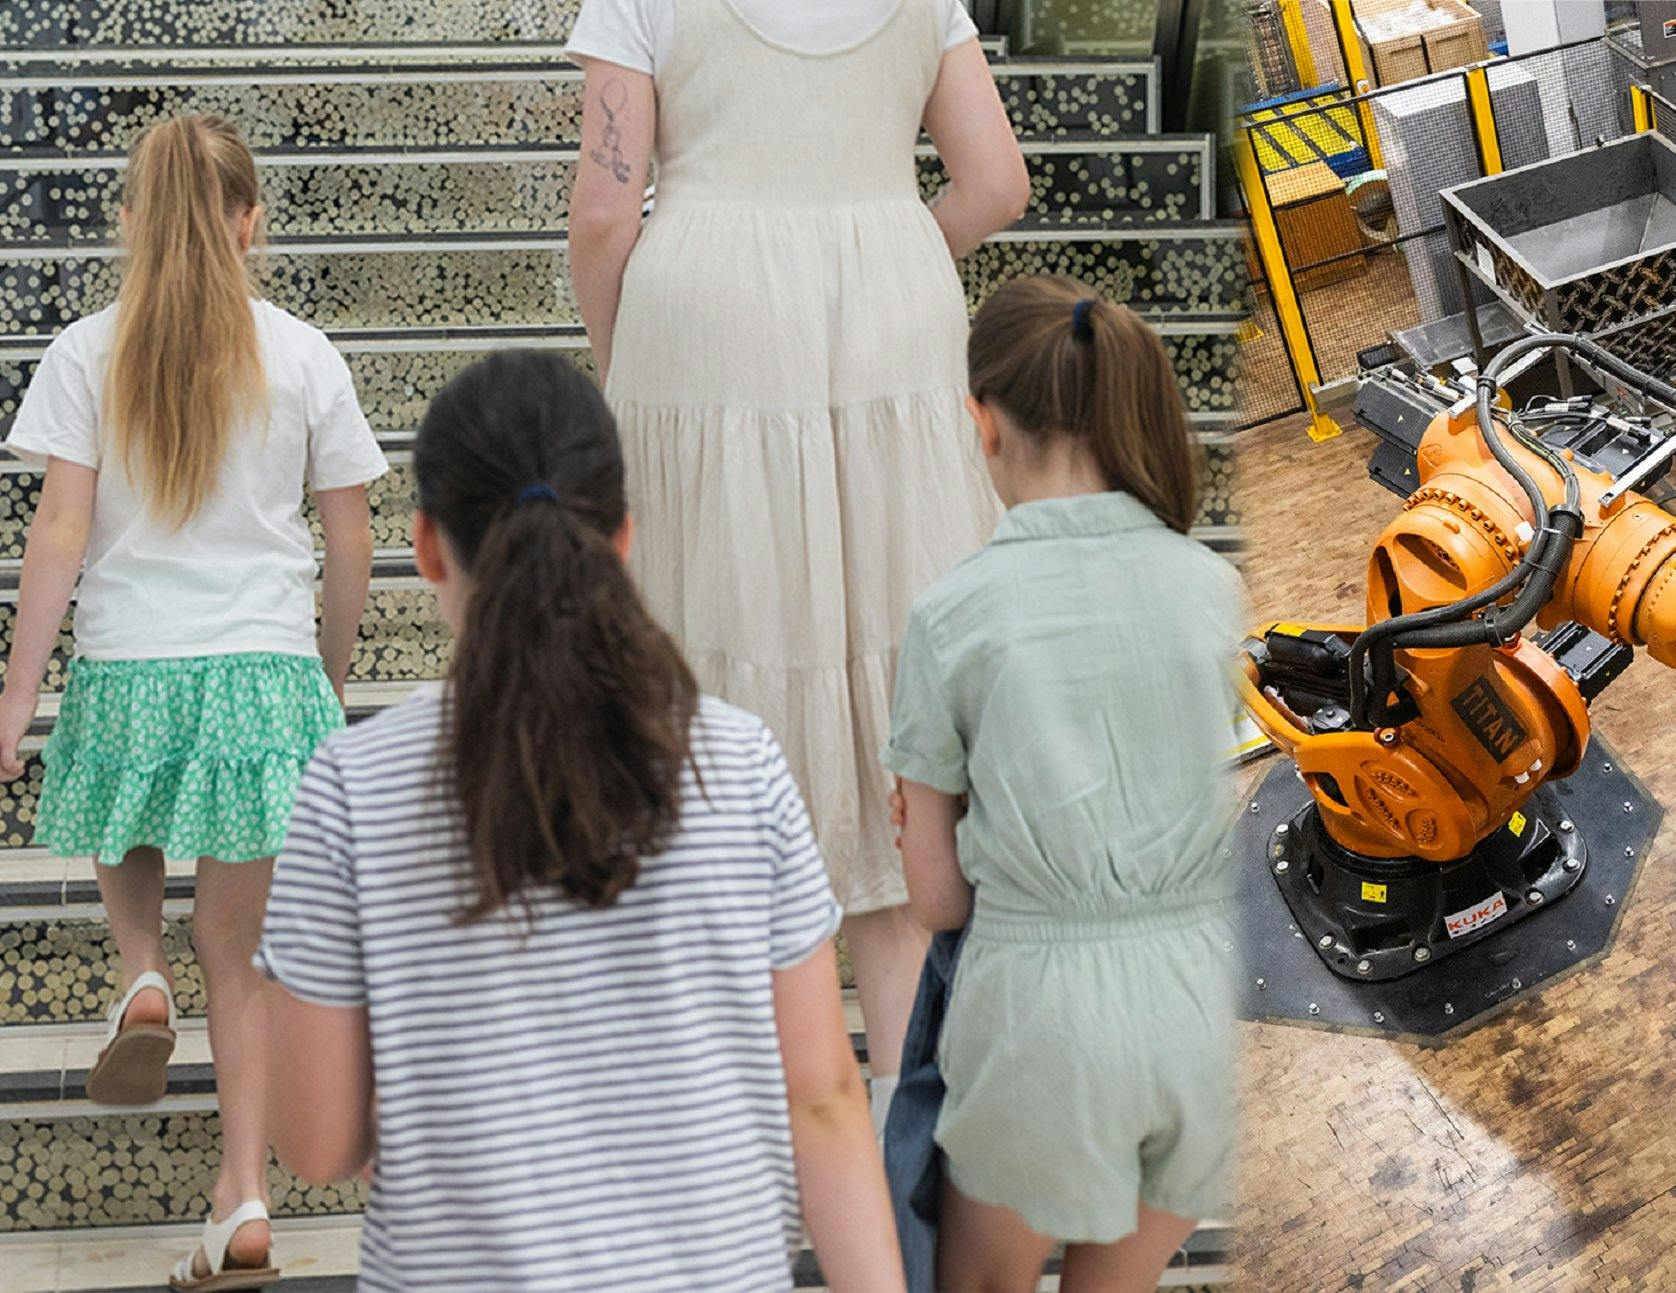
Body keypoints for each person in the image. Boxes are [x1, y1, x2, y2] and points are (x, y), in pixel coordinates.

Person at [256, 351, 902, 1292]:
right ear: (626, 534)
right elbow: (827, 1100)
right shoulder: (738, 763)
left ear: (429, 545)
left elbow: (317, 1141)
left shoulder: (351, 789)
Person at [563, 0, 1030, 1113]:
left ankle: (728, 1139)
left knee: (714, 682)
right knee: (890, 721)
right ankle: (900, 1129)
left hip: (705, 316)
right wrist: (894, 240)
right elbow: (995, 184)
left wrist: (617, 351)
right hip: (889, 305)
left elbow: (601, 208)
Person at [0, 114, 383, 1292]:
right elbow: (353, 541)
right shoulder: (306, 352)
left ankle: (134, 971)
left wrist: (13, 705)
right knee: (246, 960)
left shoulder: (85, 351)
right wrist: (322, 669)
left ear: (130, 219)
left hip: (129, 669)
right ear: (250, 221)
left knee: (128, 839)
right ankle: (245, 1198)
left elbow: (58, 531)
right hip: (263, 671)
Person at [886, 277, 1242, 1292]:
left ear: (983, 421)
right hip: (1202, 1004)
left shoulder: (953, 616)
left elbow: (934, 900)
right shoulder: (1212, 591)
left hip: (1037, 1022)